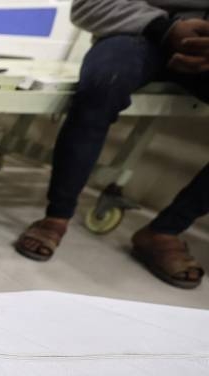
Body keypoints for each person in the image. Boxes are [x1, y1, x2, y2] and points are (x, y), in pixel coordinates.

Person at [14, 0, 208, 289]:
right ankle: (57, 215)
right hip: (136, 31)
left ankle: (165, 231)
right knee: (103, 82)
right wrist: (164, 28)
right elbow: (87, 6)